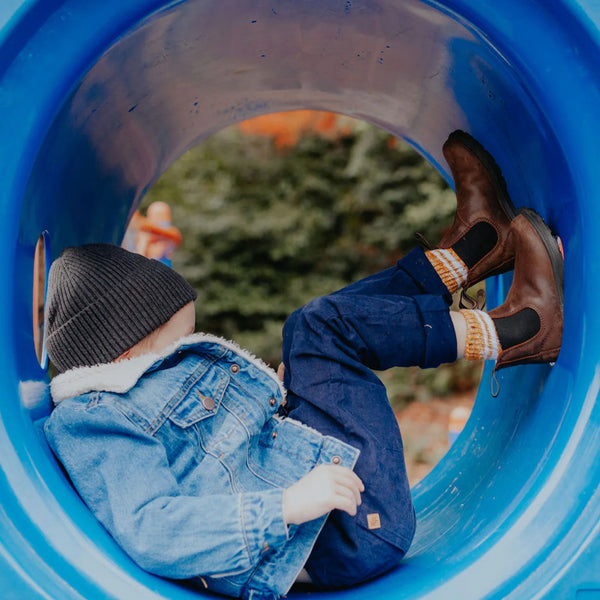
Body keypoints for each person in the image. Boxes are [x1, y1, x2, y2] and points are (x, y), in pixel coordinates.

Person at [43, 131, 563, 600]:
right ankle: (519, 329)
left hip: (326, 498)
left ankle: (476, 246)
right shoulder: (93, 421)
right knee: (319, 328)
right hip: (346, 533)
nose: (183, 347)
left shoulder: (132, 385)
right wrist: (287, 505)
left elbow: (221, 455)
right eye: (173, 341)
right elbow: (153, 527)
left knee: (306, 330)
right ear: (127, 350)